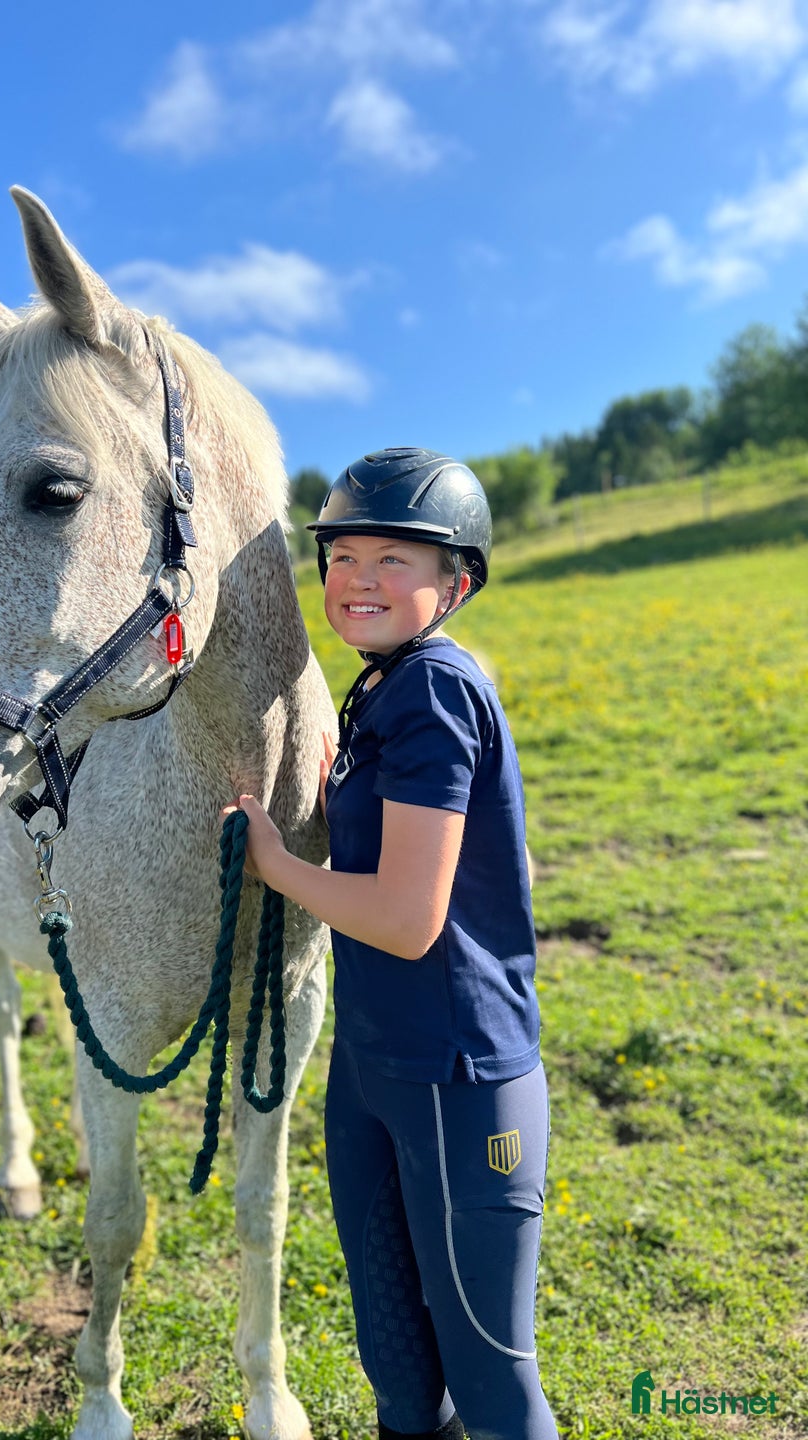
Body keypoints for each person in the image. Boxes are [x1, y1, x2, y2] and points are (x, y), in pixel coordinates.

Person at [226, 448, 558, 1440]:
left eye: (396, 561)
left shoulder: (433, 690)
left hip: (458, 1075)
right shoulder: (379, 690)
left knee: (492, 1384)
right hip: (376, 1065)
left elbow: (411, 920)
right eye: (343, 557)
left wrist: (277, 865)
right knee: (399, 1364)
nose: (361, 579)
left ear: (456, 583)